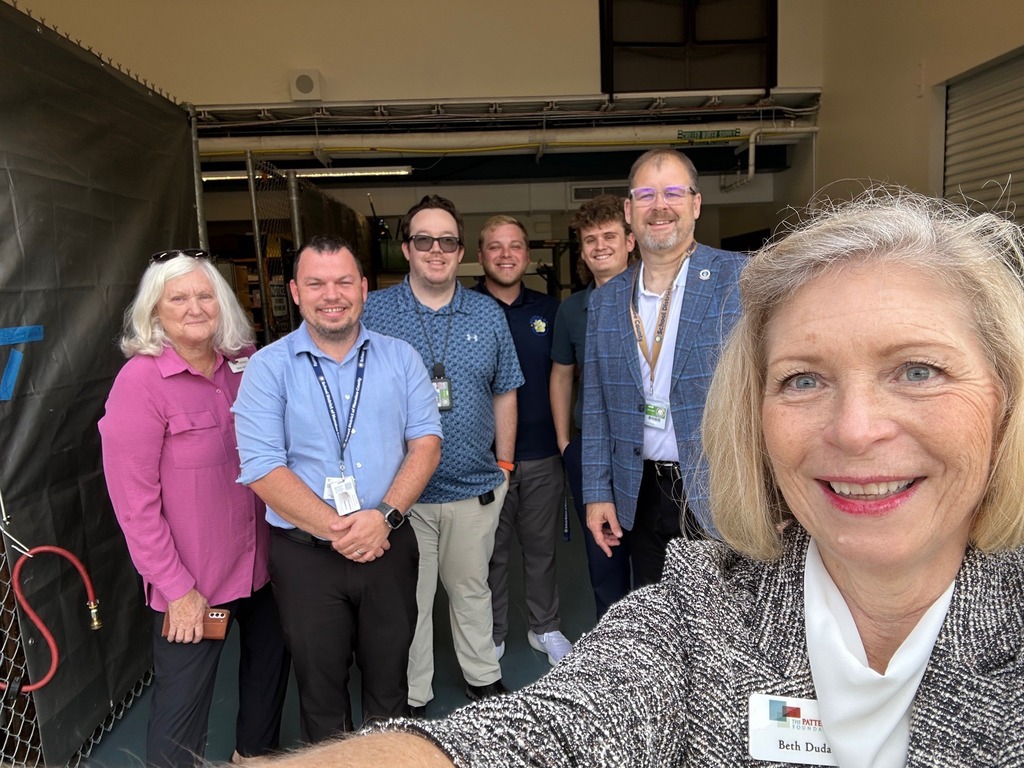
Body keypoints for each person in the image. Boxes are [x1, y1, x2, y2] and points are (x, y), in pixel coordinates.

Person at [239, 187, 1024, 767]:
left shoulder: (490, 324)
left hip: (450, 488)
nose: (857, 429)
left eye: (918, 371)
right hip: (364, 525)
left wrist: (504, 466)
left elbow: (491, 403)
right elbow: (551, 733)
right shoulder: (693, 613)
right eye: (804, 379)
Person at [232, 235, 441, 742]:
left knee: (390, 685)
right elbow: (262, 467)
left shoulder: (402, 358)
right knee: (321, 692)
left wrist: (383, 518)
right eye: (317, 283)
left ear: (364, 288)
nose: (333, 294)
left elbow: (427, 443)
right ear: (296, 292)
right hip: (306, 558)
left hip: (388, 544)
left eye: (345, 281)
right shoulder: (267, 368)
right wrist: (343, 530)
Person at [98, 249, 289, 768]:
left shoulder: (246, 363)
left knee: (267, 678)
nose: (194, 307)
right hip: (197, 586)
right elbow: (134, 507)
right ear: (155, 311)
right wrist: (177, 589)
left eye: (205, 295)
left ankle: (252, 758)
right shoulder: (140, 385)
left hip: (266, 566)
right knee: (182, 709)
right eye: (177, 298)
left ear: (222, 303)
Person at [362, 195, 524, 714]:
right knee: (409, 603)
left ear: (460, 252)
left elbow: (506, 391)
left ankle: (483, 678)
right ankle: (414, 694)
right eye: (424, 240)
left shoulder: (486, 313)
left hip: (473, 488)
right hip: (399, 496)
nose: (437, 250)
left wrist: (503, 466)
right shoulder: (374, 313)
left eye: (447, 241)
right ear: (406, 248)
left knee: (471, 591)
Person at [582, 147, 745, 587]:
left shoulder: (741, 280)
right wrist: (597, 493)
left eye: (673, 192)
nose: (660, 206)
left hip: (719, 486)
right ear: (629, 210)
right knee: (658, 614)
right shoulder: (606, 299)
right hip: (640, 491)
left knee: (722, 619)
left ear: (695, 204)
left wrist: (774, 494)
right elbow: (595, 405)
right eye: (646, 194)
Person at [472, 215, 571, 666]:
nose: (506, 254)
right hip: (481, 462)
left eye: (514, 246)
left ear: (527, 256)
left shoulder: (550, 311)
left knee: (541, 549)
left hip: (542, 453)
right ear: (480, 256)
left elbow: (564, 378)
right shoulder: (465, 309)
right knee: (487, 556)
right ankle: (491, 635)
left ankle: (544, 627)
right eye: (496, 246)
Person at [550, 194, 635, 619]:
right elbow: (562, 375)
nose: (600, 245)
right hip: (591, 448)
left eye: (609, 236)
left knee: (655, 551)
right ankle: (614, 643)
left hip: (646, 448)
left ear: (630, 241)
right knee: (603, 552)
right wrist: (566, 443)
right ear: (582, 250)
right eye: (589, 239)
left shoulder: (656, 300)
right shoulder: (572, 310)